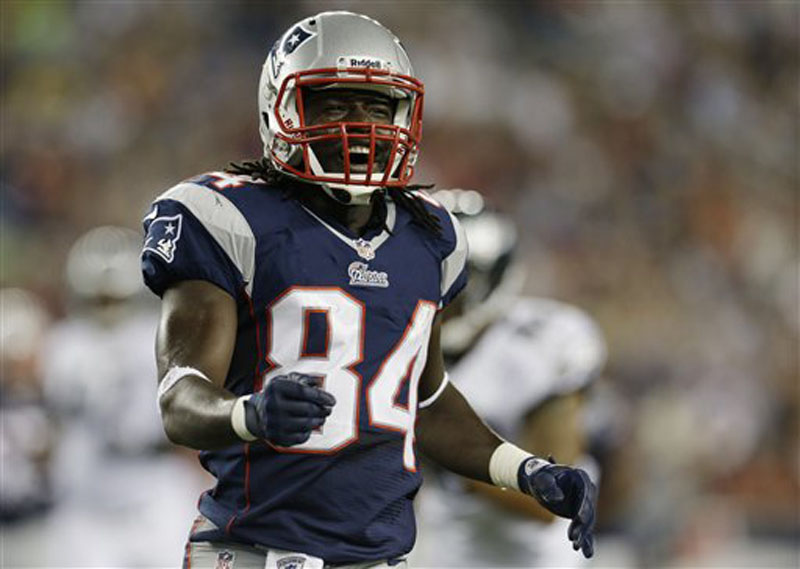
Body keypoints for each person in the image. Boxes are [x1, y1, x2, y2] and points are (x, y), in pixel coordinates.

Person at [141, 11, 597, 569]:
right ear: (283, 109)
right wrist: (250, 415)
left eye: (378, 106)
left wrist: (525, 470)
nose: (361, 125)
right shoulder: (227, 217)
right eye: (335, 102)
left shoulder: (432, 237)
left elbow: (424, 400)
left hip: (378, 559)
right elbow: (180, 396)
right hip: (254, 551)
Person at [412, 189, 607, 568]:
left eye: (457, 280)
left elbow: (550, 503)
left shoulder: (542, 344)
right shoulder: (400, 344)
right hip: (446, 550)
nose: (442, 296)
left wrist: (450, 458)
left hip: (532, 559)